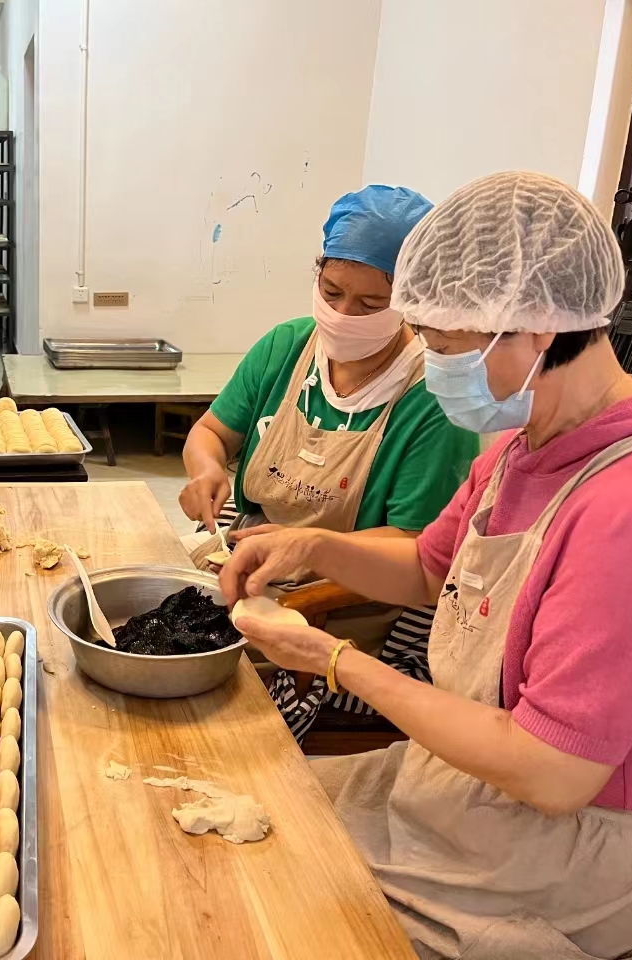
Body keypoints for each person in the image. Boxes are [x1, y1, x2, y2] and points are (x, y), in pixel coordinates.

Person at [224, 171, 632, 959]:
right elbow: (428, 568)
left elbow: (553, 772)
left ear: (536, 328)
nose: (433, 365)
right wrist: (313, 547)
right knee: (257, 817)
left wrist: (337, 661)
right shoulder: (529, 444)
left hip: (591, 838)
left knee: (288, 912)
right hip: (479, 779)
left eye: (446, 349)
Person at [180, 185, 478, 740]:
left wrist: (311, 553)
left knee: (204, 710)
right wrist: (207, 469)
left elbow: (418, 549)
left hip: (342, 608)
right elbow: (211, 433)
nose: (342, 316)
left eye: (370, 305)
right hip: (247, 565)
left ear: (412, 301)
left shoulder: (432, 400)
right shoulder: (287, 347)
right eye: (331, 291)